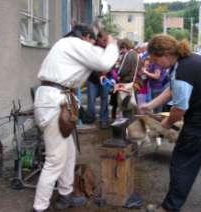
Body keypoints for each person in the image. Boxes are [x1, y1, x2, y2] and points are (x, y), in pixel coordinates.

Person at [140, 35, 201, 212]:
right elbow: (172, 88)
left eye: (156, 60)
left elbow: (179, 109)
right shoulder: (190, 59)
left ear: (166, 54)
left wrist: (166, 123)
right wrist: (150, 105)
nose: (156, 65)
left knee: (182, 161)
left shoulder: (183, 70)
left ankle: (169, 208)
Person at [33, 24, 118, 212]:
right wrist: (112, 44)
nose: (93, 45)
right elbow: (104, 63)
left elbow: (90, 74)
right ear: (86, 37)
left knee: (69, 153)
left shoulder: (67, 45)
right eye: (92, 41)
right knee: (55, 159)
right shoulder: (73, 43)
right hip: (54, 101)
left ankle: (65, 195)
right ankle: (40, 207)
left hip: (57, 99)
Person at [85, 31, 110, 129]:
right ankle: (91, 118)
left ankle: (103, 120)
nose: (105, 41)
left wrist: (107, 71)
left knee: (104, 99)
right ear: (98, 39)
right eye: (104, 39)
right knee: (91, 100)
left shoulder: (107, 49)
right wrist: (99, 72)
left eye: (106, 40)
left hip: (104, 79)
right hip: (92, 79)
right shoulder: (92, 48)